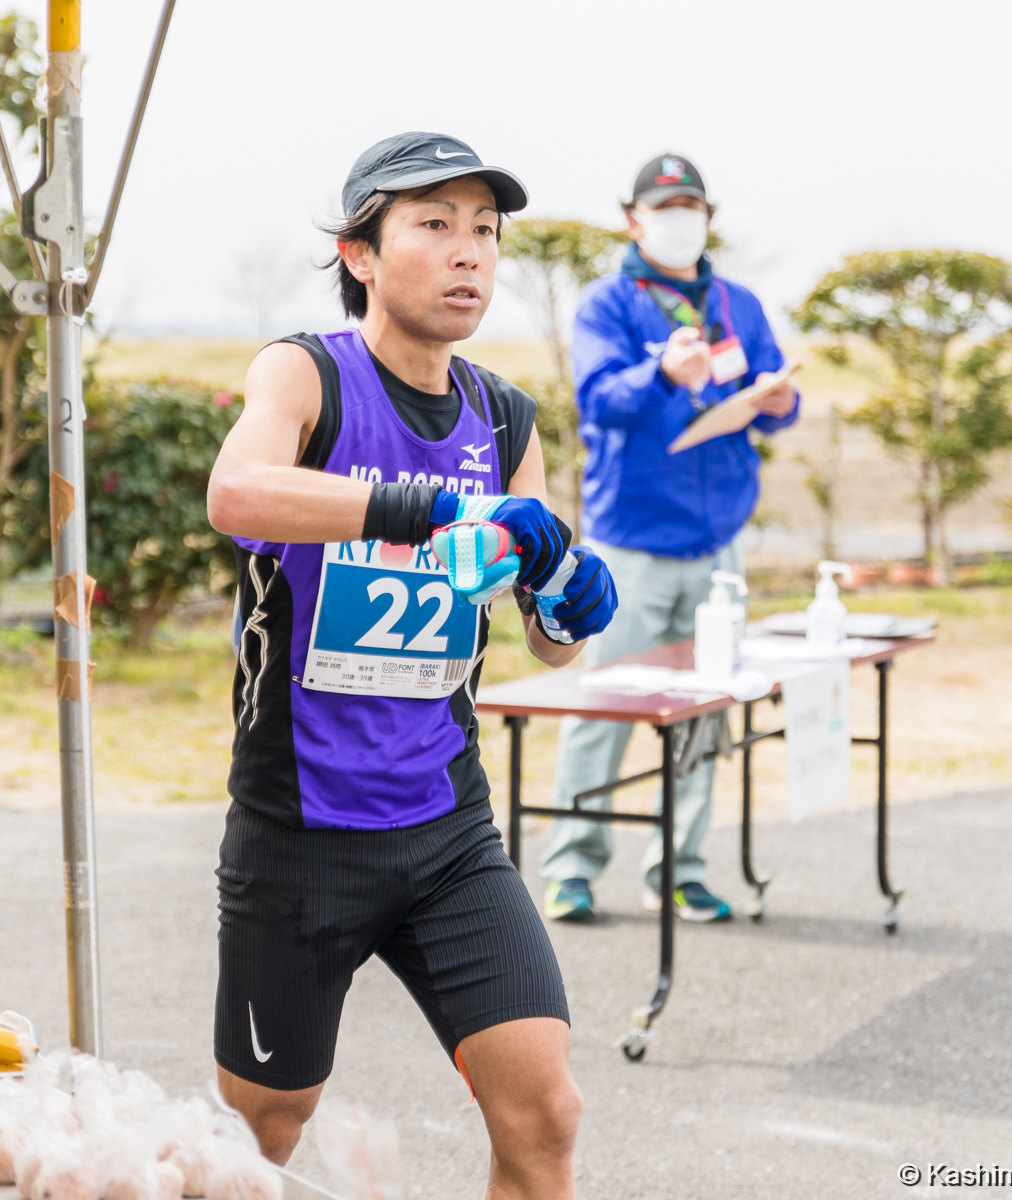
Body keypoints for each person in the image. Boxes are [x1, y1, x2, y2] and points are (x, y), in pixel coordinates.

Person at [206, 131, 618, 1200]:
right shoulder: (306, 374)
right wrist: (423, 506)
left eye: (484, 230)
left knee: (547, 1111)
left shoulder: (501, 416)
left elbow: (543, 633)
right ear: (360, 253)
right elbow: (238, 493)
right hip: (300, 835)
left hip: (446, 833)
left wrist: (571, 601)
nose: (468, 253)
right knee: (263, 1130)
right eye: (433, 225)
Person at [539, 152, 800, 925]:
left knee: (706, 711)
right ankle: (572, 867)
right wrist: (660, 374)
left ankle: (680, 867)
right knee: (608, 704)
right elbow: (599, 401)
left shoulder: (737, 302)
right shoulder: (607, 306)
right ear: (634, 218)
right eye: (665, 205)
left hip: (718, 540)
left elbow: (774, 396)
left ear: (708, 217)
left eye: (692, 205)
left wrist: (781, 401)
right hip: (631, 542)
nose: (680, 218)